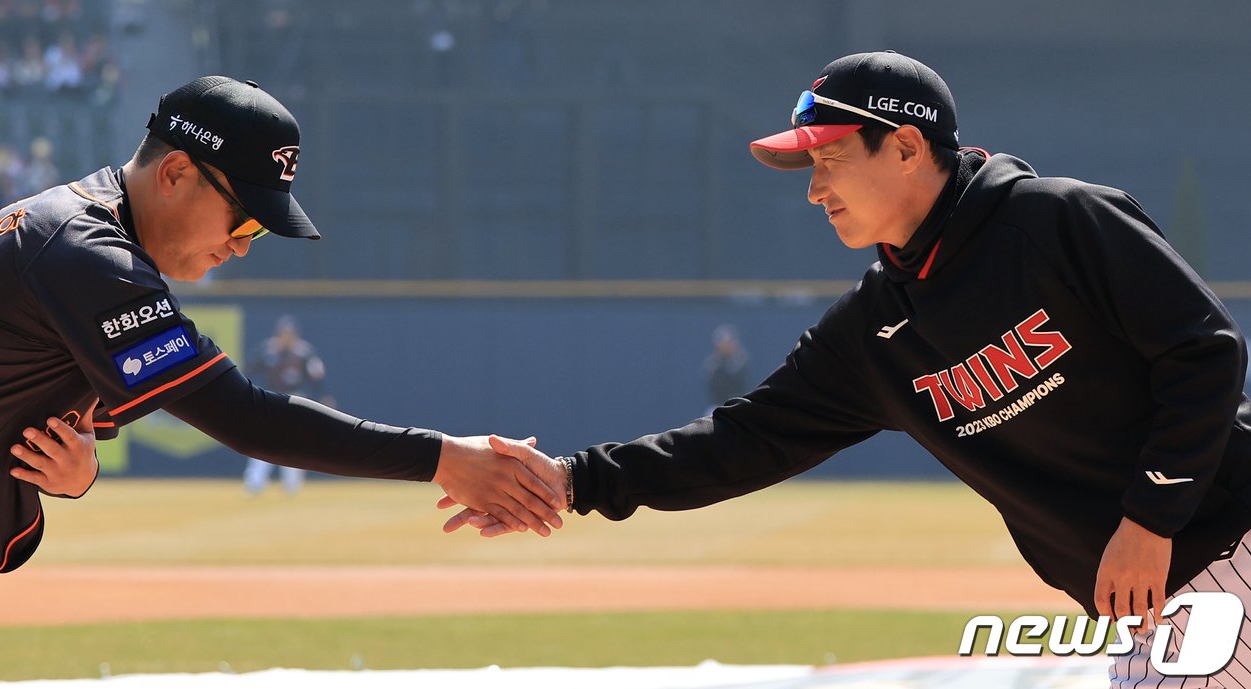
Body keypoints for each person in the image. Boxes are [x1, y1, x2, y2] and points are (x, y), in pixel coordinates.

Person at [444, 51, 1251, 687]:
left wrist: (1150, 519)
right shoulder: (875, 332)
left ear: (905, 147)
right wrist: (575, 480)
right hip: (1153, 603)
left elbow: (1203, 349)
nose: (814, 188)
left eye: (827, 158)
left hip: (1230, 540)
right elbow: (743, 439)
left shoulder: (1056, 219)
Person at [0, 75, 563, 689]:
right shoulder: (84, 250)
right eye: (246, 216)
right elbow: (245, 417)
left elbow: (43, 431)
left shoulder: (87, 241)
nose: (244, 244)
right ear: (175, 173)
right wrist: (443, 458)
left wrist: (79, 471)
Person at [243, 314, 332, 496]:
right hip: (270, 398)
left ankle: (292, 485)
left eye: (290, 333)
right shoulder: (268, 350)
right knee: (263, 442)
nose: (287, 336)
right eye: (284, 333)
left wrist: (324, 396)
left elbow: (316, 378)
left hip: (296, 398)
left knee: (294, 444)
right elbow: (248, 370)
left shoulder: (304, 352)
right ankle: (255, 483)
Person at [702, 323, 749, 411]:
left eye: (729, 343)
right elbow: (714, 388)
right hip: (717, 405)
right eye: (722, 343)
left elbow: (741, 384)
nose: (725, 346)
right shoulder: (713, 365)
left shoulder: (740, 362)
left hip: (738, 405)